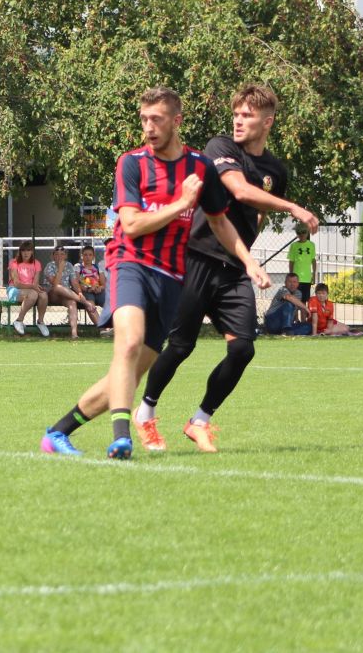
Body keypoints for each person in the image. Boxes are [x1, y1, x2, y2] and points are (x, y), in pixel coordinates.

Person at [39, 86, 269, 460]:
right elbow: (130, 225)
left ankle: (57, 433)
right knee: (128, 344)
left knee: (128, 375)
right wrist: (181, 203)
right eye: (144, 119)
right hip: (129, 263)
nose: (148, 127)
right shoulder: (131, 163)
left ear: (176, 121)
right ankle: (121, 437)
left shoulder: (200, 167)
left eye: (156, 119)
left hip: (171, 278)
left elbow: (219, 221)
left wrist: (248, 261)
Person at [133, 84, 315, 453]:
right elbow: (240, 190)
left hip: (232, 269)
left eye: (247, 115)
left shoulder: (276, 171)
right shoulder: (220, 148)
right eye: (236, 114)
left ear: (267, 122)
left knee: (243, 349)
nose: (238, 121)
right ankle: (146, 413)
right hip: (195, 258)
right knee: (180, 346)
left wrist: (245, 255)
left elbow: (259, 213)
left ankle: (199, 421)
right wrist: (294, 207)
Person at [40, 245, 93, 338]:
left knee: (72, 303)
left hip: (66, 294)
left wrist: (80, 293)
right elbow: (55, 284)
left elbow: (74, 283)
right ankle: (85, 302)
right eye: (57, 254)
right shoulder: (49, 266)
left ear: (65, 256)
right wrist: (60, 269)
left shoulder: (69, 265)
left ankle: (74, 333)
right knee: (57, 287)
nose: (59, 256)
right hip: (52, 294)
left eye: (62, 254)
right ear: (53, 256)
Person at [7, 242, 49, 337]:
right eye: (23, 250)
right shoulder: (14, 262)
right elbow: (17, 284)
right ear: (20, 252)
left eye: (28, 250)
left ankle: (40, 322)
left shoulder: (36, 263)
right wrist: (33, 287)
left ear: (32, 252)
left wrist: (35, 287)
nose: (26, 253)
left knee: (44, 295)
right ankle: (19, 320)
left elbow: (35, 283)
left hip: (31, 290)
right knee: (33, 294)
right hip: (14, 290)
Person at [287, 223, 317, 321]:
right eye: (299, 232)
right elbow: (291, 262)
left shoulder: (311, 245)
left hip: (307, 278)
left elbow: (313, 261)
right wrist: (291, 277)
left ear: (307, 232)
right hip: (296, 279)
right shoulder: (294, 246)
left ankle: (303, 321)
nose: (301, 234)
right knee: (295, 300)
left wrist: (314, 275)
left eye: (303, 232)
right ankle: (296, 320)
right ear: (296, 233)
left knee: (304, 301)